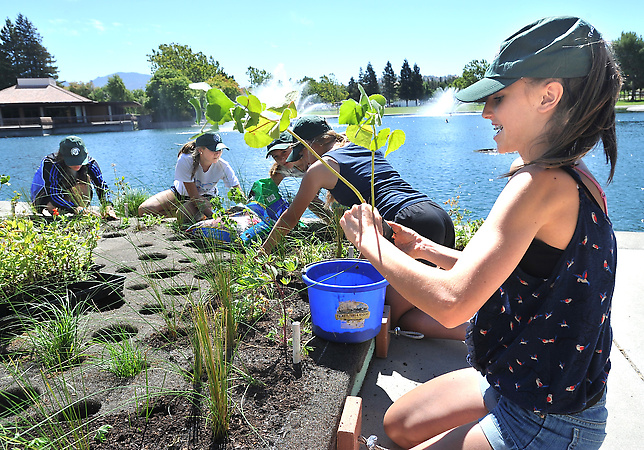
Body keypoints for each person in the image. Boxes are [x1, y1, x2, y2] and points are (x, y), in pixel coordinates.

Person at [340, 16, 620, 449]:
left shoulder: (538, 185)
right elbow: (520, 276)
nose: (486, 112)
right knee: (397, 425)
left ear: (549, 95)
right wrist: (423, 248)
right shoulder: (571, 177)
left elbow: (452, 303)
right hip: (521, 379)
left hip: (548, 419)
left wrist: (368, 242)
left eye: (499, 97)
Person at [263, 115, 460, 339]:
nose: (302, 162)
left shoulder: (318, 169)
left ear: (310, 146)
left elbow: (290, 218)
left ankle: (481, 335)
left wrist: (263, 253)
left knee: (390, 317)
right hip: (434, 214)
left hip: (406, 223)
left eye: (300, 153)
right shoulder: (363, 146)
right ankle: (488, 324)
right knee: (438, 297)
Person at [138, 133, 242, 224]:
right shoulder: (186, 160)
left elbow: (237, 191)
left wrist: (246, 208)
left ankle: (187, 214)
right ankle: (191, 214)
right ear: (201, 150)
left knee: (183, 216)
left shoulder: (223, 166)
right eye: (213, 150)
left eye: (220, 149)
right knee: (144, 210)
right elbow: (194, 196)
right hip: (180, 193)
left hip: (206, 197)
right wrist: (214, 217)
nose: (218, 153)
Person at [31, 135, 117, 219]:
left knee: (84, 180)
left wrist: (108, 206)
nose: (77, 164)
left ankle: (81, 209)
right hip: (46, 198)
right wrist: (75, 209)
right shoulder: (51, 164)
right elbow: (53, 194)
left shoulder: (91, 163)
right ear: (62, 157)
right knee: (51, 205)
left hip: (72, 197)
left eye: (80, 160)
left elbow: (101, 186)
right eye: (72, 161)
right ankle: (76, 210)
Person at [265, 131, 331, 222]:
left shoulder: (310, 158)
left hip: (330, 176)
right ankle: (333, 222)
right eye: (275, 156)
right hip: (315, 177)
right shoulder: (281, 169)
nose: (281, 159)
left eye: (284, 152)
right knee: (311, 201)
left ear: (294, 147)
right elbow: (268, 191)